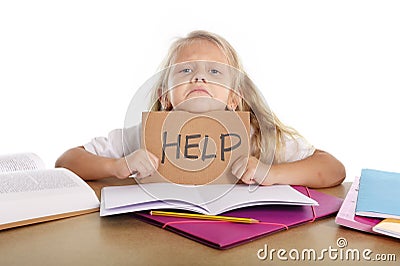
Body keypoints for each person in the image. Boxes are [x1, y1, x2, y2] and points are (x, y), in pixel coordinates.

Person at [55, 30, 345, 188]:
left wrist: (272, 174)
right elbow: (67, 161)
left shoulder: (257, 139)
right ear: (165, 96)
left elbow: (333, 169)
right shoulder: (143, 137)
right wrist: (118, 166)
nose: (199, 77)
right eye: (185, 71)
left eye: (215, 72)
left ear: (234, 98)